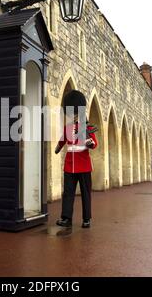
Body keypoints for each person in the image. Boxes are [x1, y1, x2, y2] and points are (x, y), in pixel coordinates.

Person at [55, 90, 98, 229]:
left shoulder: (87, 127)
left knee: (85, 193)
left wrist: (90, 143)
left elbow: (94, 143)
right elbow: (62, 141)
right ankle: (66, 218)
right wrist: (57, 148)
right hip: (69, 164)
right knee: (68, 193)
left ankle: (87, 219)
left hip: (83, 164)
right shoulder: (67, 128)